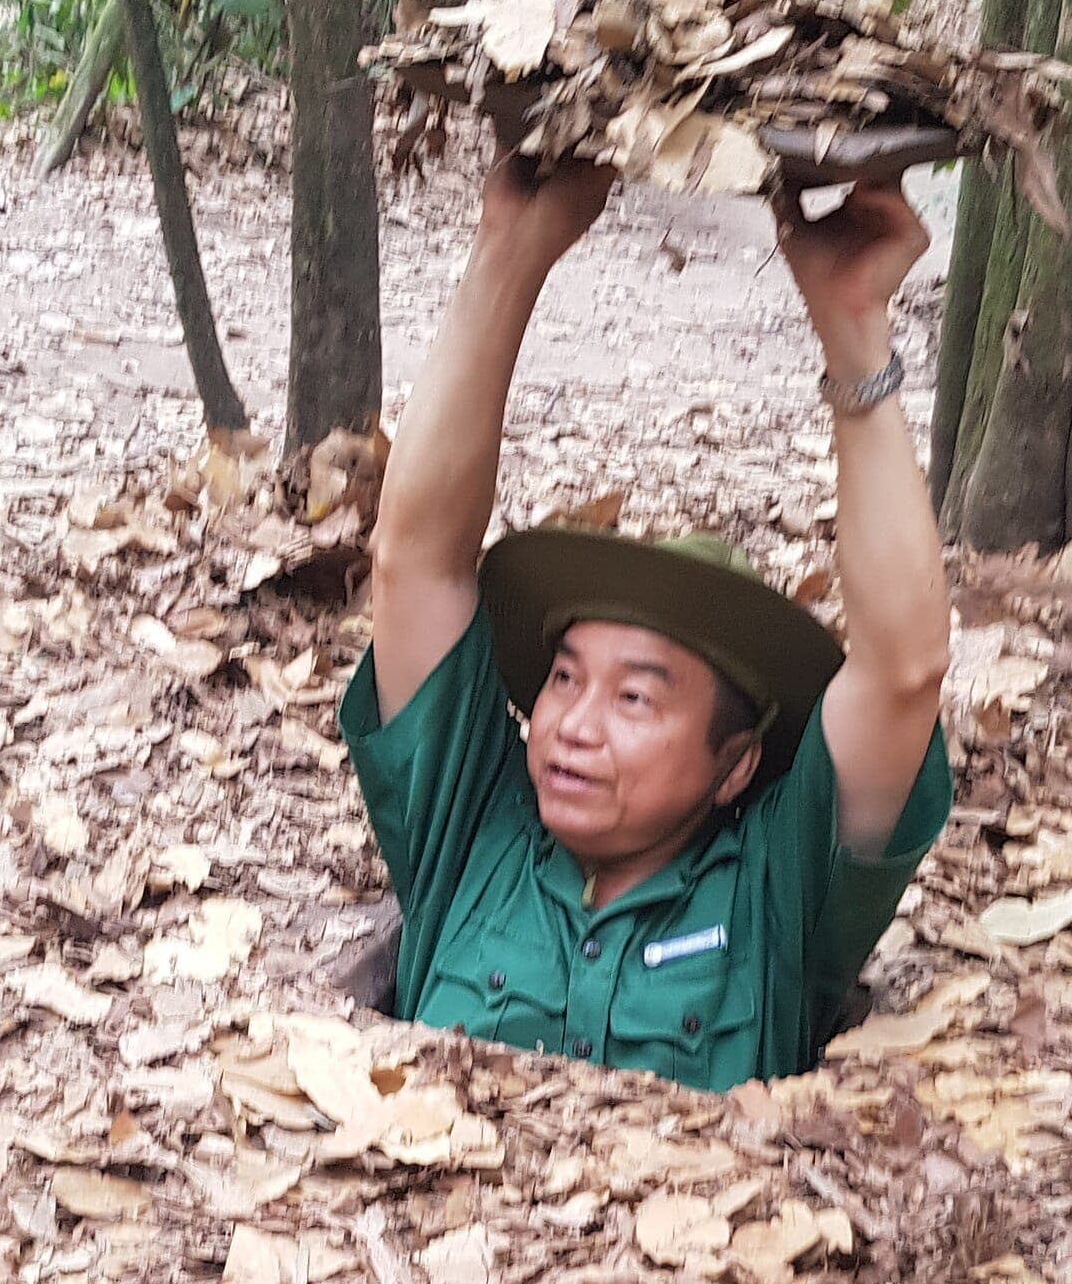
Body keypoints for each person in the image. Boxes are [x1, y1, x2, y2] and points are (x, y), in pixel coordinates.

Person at [340, 156, 952, 1090]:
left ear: (735, 765)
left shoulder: (775, 895)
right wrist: (511, 251)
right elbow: (414, 561)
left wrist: (854, 327)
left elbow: (904, 668)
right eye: (563, 679)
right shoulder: (470, 831)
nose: (573, 726)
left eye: (635, 696)